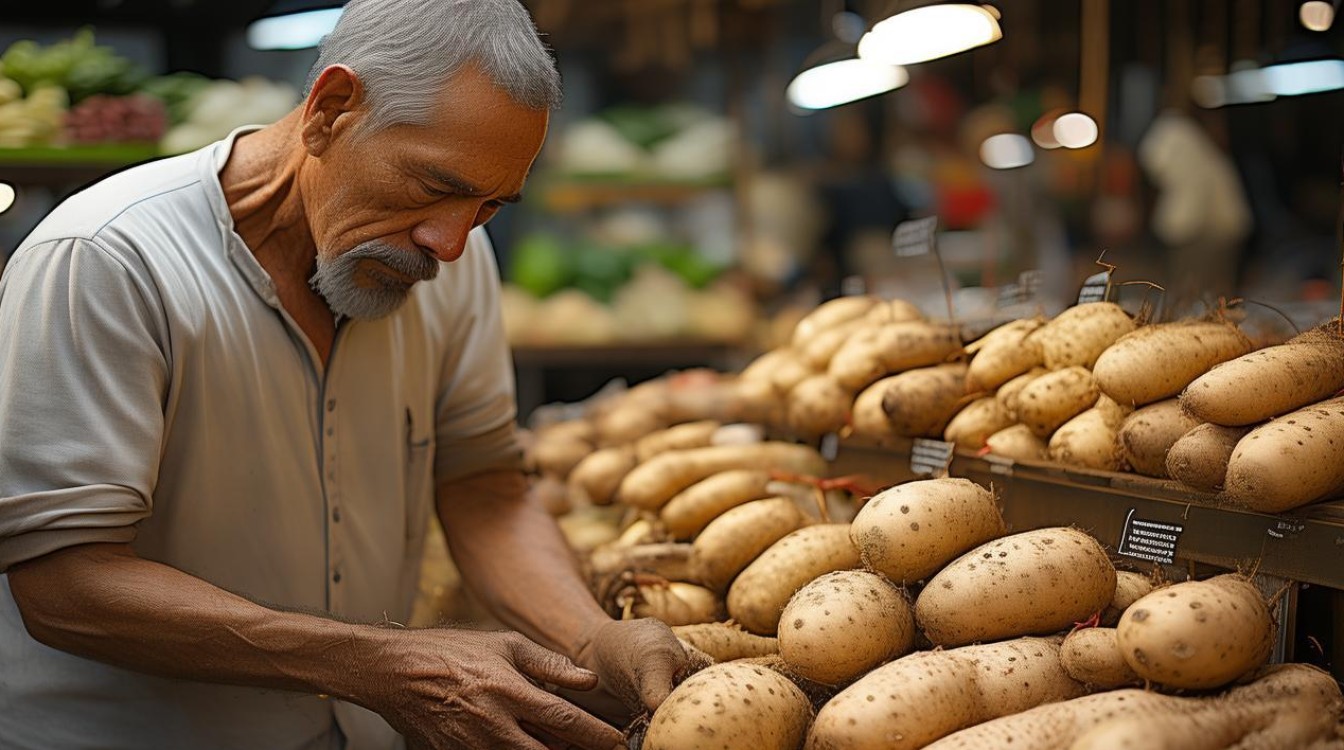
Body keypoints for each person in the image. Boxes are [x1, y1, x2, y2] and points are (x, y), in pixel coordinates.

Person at [0, 2, 688, 748]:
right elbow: (65, 585)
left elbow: (483, 487)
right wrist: (381, 664)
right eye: (433, 185)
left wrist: (588, 641)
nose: (451, 244)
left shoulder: (450, 265)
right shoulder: (104, 260)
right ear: (330, 110)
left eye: (488, 206)